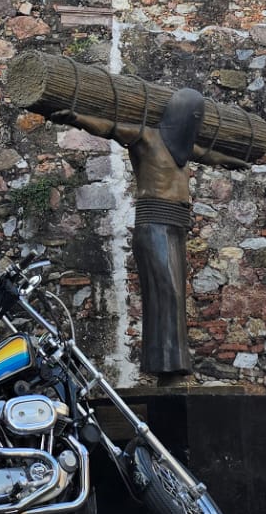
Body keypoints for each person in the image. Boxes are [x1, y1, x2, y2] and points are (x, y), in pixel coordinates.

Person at [52, 89, 208, 383]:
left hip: (176, 225)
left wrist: (241, 161)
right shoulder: (148, 137)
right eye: (193, 117)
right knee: (166, 292)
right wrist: (76, 116)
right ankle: (166, 367)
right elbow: (110, 128)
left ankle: (174, 366)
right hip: (154, 226)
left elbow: (214, 154)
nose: (194, 123)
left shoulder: (184, 150)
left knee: (175, 299)